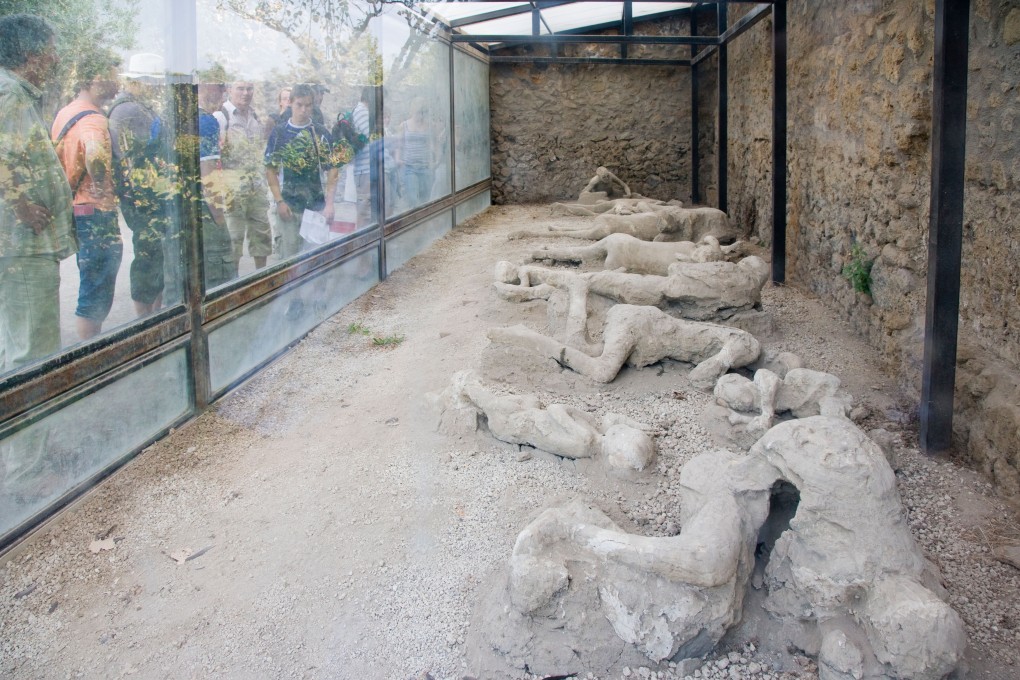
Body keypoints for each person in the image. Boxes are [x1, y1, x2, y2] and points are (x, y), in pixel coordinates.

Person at [0, 14, 75, 502]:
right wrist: (21, 204)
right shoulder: (8, 94)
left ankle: (27, 453)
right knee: (32, 353)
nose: (54, 56)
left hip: (21, 248)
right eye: (49, 47)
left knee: (18, 347)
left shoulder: (15, 93)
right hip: (21, 249)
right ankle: (27, 472)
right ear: (29, 51)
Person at [51, 50, 123, 340]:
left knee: (91, 281)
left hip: (78, 208)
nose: (117, 84)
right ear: (94, 78)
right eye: (112, 77)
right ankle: (91, 348)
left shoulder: (66, 112)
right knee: (96, 289)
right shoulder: (93, 119)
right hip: (96, 210)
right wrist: (100, 179)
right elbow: (94, 152)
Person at [109, 52, 171, 316]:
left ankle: (153, 313)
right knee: (147, 257)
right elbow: (135, 159)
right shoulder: (128, 110)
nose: (156, 87)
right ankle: (144, 318)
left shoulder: (141, 107)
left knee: (155, 256)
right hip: (142, 199)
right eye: (152, 82)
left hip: (150, 196)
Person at [264, 84, 337, 258]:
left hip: (316, 207)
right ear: (290, 103)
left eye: (308, 105)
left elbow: (332, 169)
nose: (303, 110)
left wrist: (329, 204)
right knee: (289, 259)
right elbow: (270, 170)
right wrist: (279, 201)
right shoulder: (280, 133)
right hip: (289, 205)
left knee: (316, 259)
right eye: (299, 105)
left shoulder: (320, 133)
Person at [214, 81, 271, 271]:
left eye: (249, 88)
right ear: (230, 89)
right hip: (232, 190)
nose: (246, 93)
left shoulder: (254, 117)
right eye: (240, 88)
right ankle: (234, 282)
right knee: (234, 240)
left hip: (256, 187)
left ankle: (261, 279)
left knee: (261, 237)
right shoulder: (221, 116)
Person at [196, 76, 236, 289]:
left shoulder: (163, 119)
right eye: (221, 86)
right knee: (219, 281)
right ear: (206, 85)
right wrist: (219, 218)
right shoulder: (206, 122)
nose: (224, 92)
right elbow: (209, 178)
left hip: (177, 219)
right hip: (204, 215)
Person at [396, 97, 432, 208]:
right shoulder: (404, 125)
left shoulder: (428, 125)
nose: (420, 115)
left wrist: (433, 160)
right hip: (410, 167)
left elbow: (431, 144)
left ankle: (424, 218)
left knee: (425, 199)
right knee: (413, 199)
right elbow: (399, 144)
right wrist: (398, 159)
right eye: (418, 112)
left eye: (423, 112)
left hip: (425, 166)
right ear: (413, 110)